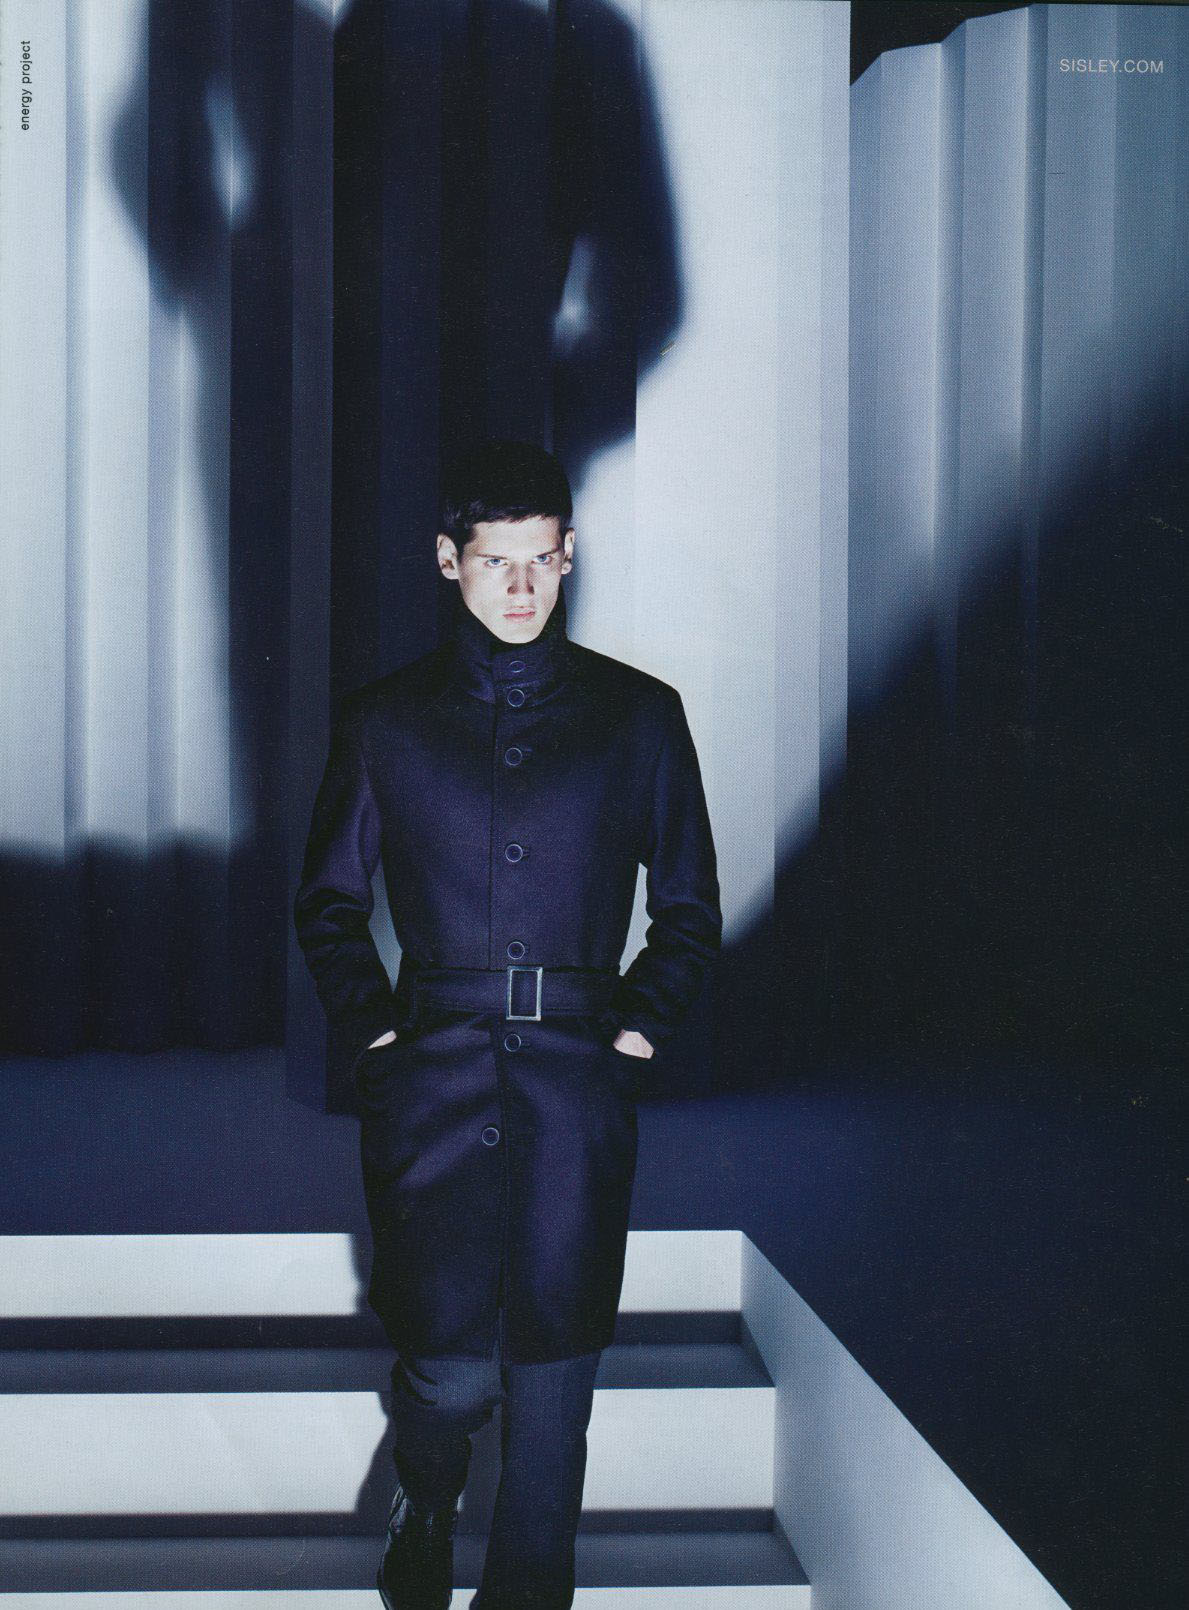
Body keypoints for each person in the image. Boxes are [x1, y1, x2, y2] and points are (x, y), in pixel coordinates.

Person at [293, 440, 721, 1610]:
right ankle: (425, 1493)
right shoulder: (386, 721)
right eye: (496, 562)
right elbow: (328, 902)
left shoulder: (639, 716)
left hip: (577, 1085)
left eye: (541, 559)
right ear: (449, 560)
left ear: (570, 554)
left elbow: (688, 910)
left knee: (553, 1388)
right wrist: (378, 1037)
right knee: (449, 1372)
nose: (521, 586)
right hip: (432, 1079)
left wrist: (632, 1035)